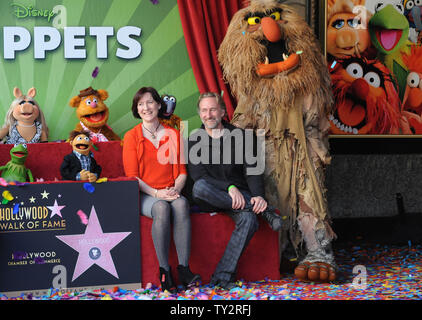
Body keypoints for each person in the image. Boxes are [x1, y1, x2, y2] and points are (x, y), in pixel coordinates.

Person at [188, 92, 283, 290]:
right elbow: (200, 177)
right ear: (199, 114)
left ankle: (221, 277)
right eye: (204, 110)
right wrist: (229, 188)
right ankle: (265, 211)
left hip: (240, 198)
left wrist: (257, 196)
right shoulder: (194, 140)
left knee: (249, 220)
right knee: (199, 188)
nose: (209, 114)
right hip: (212, 196)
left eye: (213, 109)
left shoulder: (240, 136)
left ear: (222, 111)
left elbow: (253, 170)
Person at [122, 87, 200, 293]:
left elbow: (182, 172)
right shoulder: (131, 137)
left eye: (149, 102)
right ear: (136, 109)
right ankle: (164, 271)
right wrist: (158, 194)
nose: (145, 107)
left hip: (171, 190)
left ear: (158, 105)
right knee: (161, 209)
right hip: (146, 194)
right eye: (140, 104)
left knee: (182, 203)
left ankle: (184, 269)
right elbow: (133, 177)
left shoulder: (173, 134)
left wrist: (174, 190)